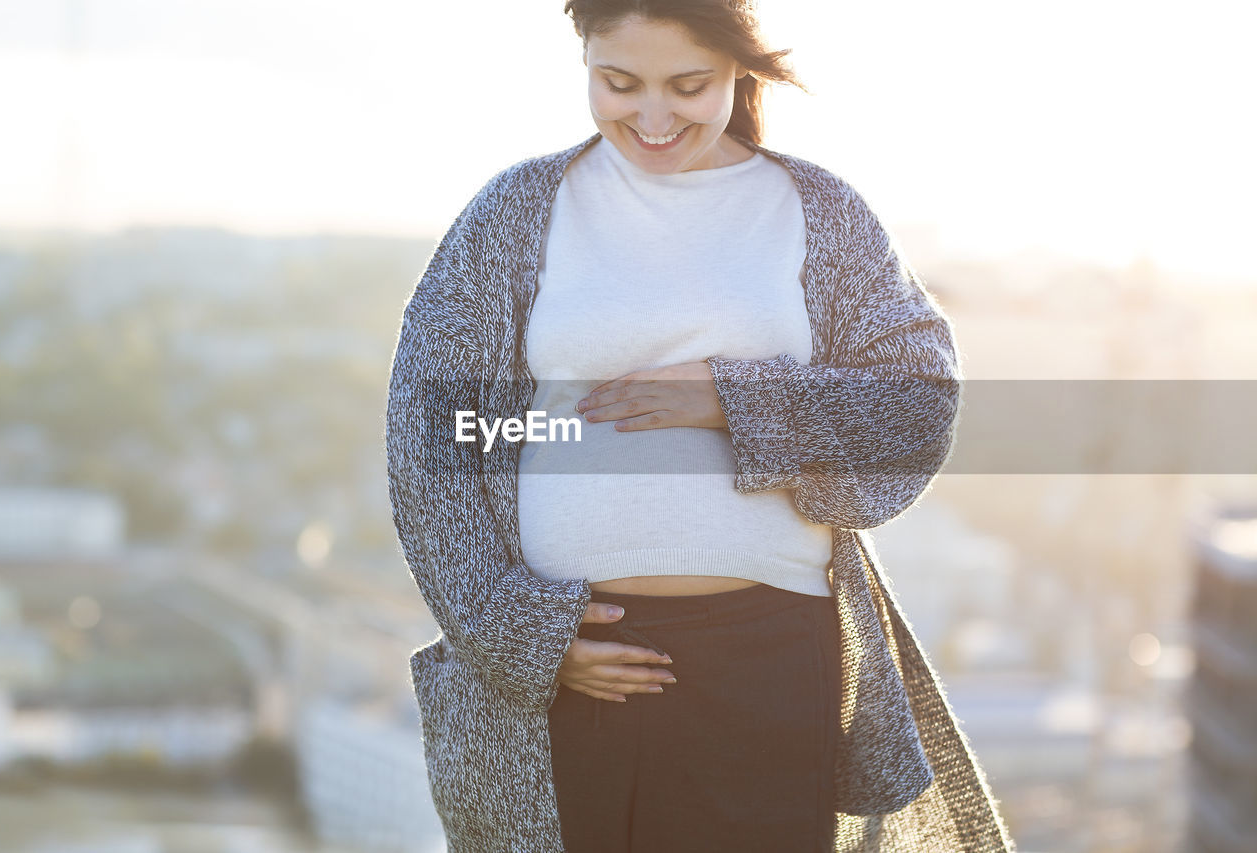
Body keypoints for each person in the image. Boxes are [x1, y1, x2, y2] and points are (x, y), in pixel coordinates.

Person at [385, 1, 1014, 851]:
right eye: (618, 83)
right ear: (584, 62)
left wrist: (731, 398)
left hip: (770, 658)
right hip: (572, 663)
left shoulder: (813, 210)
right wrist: (521, 634)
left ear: (740, 71)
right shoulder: (516, 213)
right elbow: (440, 439)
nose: (650, 118)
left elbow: (917, 403)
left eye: (688, 86)